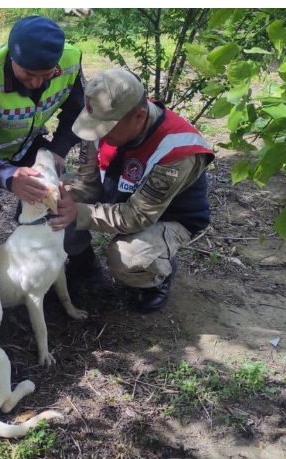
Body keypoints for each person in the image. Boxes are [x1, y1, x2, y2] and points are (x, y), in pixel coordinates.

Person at [49, 68, 215, 312]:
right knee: (53, 205)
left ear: (139, 116)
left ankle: (155, 275)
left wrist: (78, 213)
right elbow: (88, 181)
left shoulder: (178, 149)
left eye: (105, 127)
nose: (97, 134)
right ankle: (83, 264)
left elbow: (139, 215)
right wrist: (58, 199)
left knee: (125, 257)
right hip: (120, 199)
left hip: (168, 217)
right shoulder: (105, 118)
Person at [0, 15, 87, 222]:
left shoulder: (70, 61)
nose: (37, 83)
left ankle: (48, 238)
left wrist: (58, 150)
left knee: (53, 196)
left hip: (25, 142)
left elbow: (76, 111)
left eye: (47, 74)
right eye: (28, 74)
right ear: (12, 57)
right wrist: (8, 176)